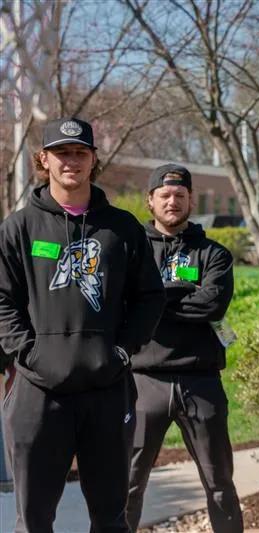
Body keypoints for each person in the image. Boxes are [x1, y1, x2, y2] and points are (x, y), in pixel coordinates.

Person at [0, 117, 165, 532]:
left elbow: (149, 298)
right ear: (44, 160)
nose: (71, 161)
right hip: (38, 394)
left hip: (106, 391)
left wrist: (122, 351)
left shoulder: (123, 228)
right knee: (33, 520)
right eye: (61, 153)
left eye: (80, 152)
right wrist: (30, 353)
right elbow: (2, 300)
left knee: (111, 519)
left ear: (93, 159)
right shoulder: (19, 228)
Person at [126, 164, 243, 532]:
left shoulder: (214, 254)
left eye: (180, 195)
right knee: (126, 483)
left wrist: (153, 303)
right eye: (164, 195)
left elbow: (212, 306)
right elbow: (125, 304)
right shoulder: (132, 251)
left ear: (191, 199)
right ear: (150, 200)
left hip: (201, 381)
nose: (172, 201)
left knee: (220, 481)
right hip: (142, 381)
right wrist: (180, 296)